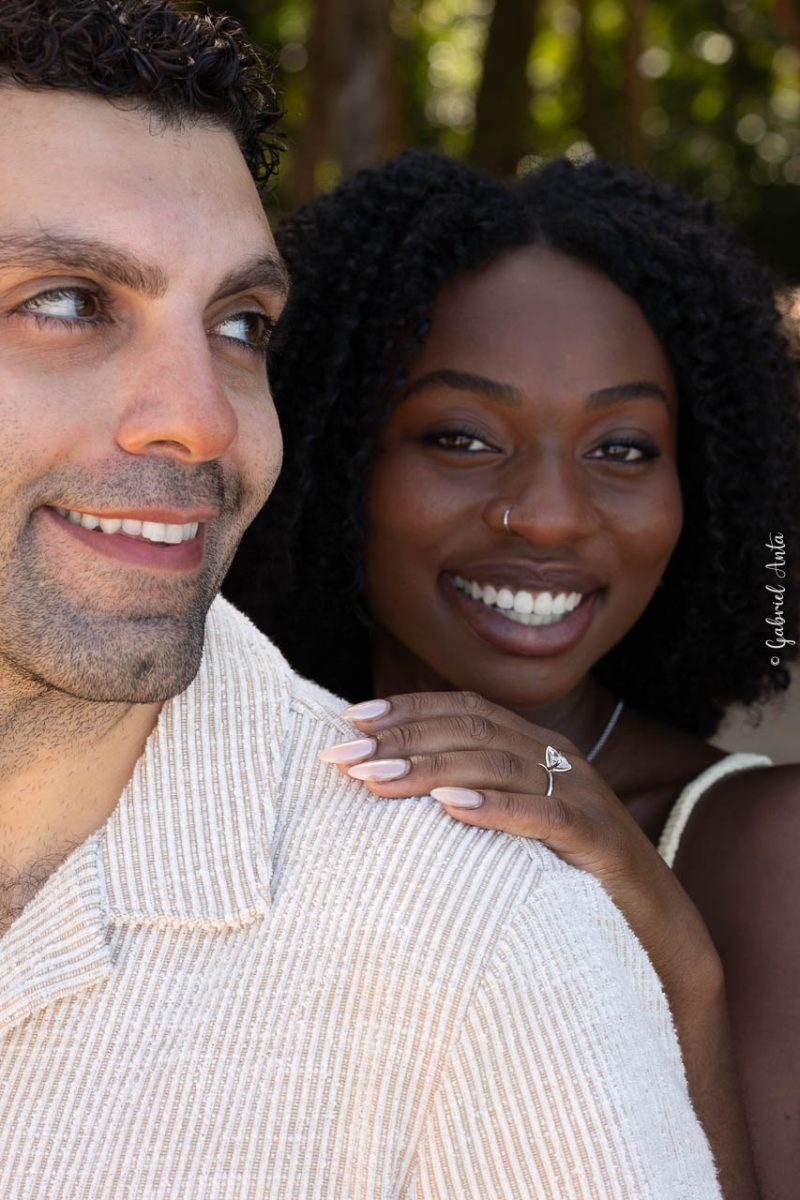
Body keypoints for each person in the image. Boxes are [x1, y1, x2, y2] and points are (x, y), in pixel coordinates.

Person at [0, 4, 724, 1198]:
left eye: (241, 326)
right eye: (69, 303)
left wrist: (670, 953)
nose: (203, 417)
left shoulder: (482, 938)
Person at [226, 148, 800, 1200]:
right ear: (337, 457)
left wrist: (670, 940)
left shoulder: (764, 846)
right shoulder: (212, 794)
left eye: (622, 449)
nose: (546, 514)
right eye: (461, 437)